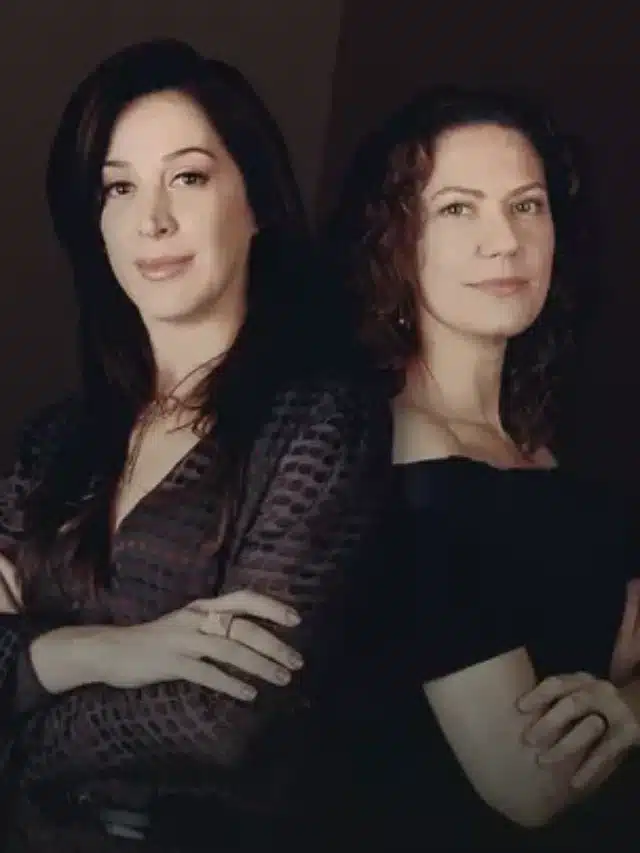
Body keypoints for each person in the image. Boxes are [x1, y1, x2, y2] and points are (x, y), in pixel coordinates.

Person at [0, 39, 390, 852]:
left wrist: (23, 734)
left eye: (188, 177)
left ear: (256, 202)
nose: (154, 220)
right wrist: (99, 651)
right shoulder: (53, 442)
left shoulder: (319, 424)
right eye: (119, 187)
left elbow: (226, 719)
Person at [326, 85, 640, 849]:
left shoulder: (542, 441)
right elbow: (530, 784)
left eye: (527, 205)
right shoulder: (406, 468)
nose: (505, 240)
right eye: (458, 209)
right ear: (396, 242)